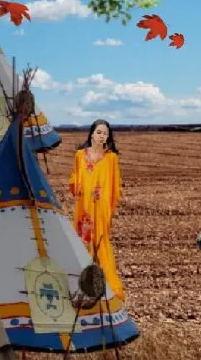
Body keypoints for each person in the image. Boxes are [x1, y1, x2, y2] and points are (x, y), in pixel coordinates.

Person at [69, 119, 124, 300]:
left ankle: (103, 284)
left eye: (105, 133)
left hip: (100, 208)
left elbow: (116, 187)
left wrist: (108, 206)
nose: (102, 136)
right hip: (83, 206)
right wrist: (78, 188)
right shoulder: (80, 155)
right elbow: (74, 179)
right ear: (92, 134)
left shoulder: (111, 158)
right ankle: (81, 283)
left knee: (99, 241)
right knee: (82, 241)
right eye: (99, 132)